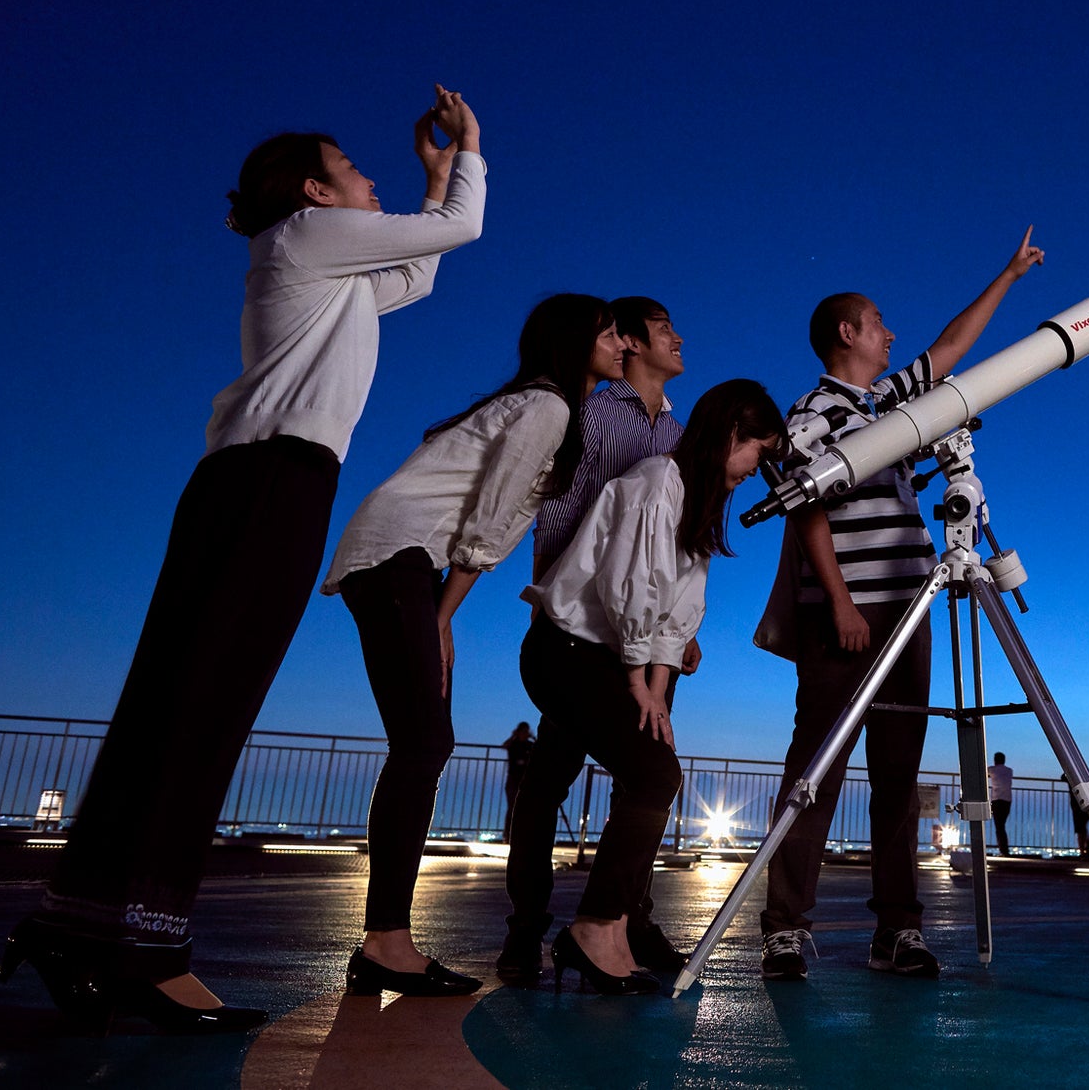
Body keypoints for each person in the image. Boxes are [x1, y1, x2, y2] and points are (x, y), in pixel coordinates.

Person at [2, 89, 485, 1034]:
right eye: (356, 170)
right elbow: (459, 230)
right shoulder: (307, 234)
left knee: (175, 699)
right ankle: (147, 947)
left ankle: (86, 924)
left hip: (253, 482)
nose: (369, 179)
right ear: (314, 190)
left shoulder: (324, 266)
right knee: (209, 703)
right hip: (273, 482)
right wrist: (469, 150)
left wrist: (431, 182)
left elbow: (420, 271)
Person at [758, 229, 1046, 982]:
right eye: (879, 322)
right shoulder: (812, 412)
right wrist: (845, 603)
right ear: (848, 332)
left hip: (911, 612)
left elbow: (950, 351)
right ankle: (784, 927)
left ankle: (898, 929)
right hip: (847, 616)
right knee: (814, 771)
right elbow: (807, 512)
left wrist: (1008, 275)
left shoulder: (886, 403)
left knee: (899, 777)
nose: (892, 335)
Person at [323, 293, 623, 997]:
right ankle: (386, 943)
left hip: (403, 559)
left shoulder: (544, 407)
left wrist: (442, 613)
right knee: (423, 745)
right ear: (576, 340)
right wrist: (442, 614)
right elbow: (490, 523)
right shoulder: (546, 408)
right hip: (399, 556)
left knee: (423, 743)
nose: (620, 342)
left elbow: (485, 520)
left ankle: (385, 941)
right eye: (609, 331)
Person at [520, 380, 784, 994]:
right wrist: (639, 681)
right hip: (566, 653)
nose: (754, 470)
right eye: (756, 453)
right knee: (654, 776)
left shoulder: (693, 498)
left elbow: (678, 612)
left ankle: (607, 928)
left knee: (655, 772)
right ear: (729, 437)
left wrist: (656, 691)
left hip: (608, 657)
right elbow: (628, 592)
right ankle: (594, 928)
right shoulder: (654, 485)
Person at [499, 296, 692, 983]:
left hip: (634, 637)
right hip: (580, 626)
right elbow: (558, 510)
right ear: (633, 345)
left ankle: (625, 921)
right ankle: (528, 929)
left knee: (638, 780)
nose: (678, 338)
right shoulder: (594, 415)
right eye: (665, 329)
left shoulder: (676, 433)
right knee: (550, 782)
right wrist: (549, 605)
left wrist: (676, 629)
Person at [501, 722, 535, 837]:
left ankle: (519, 834)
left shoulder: (530, 745)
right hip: (513, 780)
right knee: (512, 807)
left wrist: (533, 737)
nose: (525, 734)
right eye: (523, 731)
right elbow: (504, 745)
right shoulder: (513, 744)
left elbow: (540, 748)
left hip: (526, 780)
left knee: (524, 807)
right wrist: (513, 736)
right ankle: (508, 833)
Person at [987, 752, 1015, 857]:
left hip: (997, 800)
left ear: (995, 760)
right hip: (1007, 800)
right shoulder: (1009, 771)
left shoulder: (992, 769)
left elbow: (984, 773)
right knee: (1001, 825)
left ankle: (1004, 850)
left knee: (999, 826)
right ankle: (1004, 849)